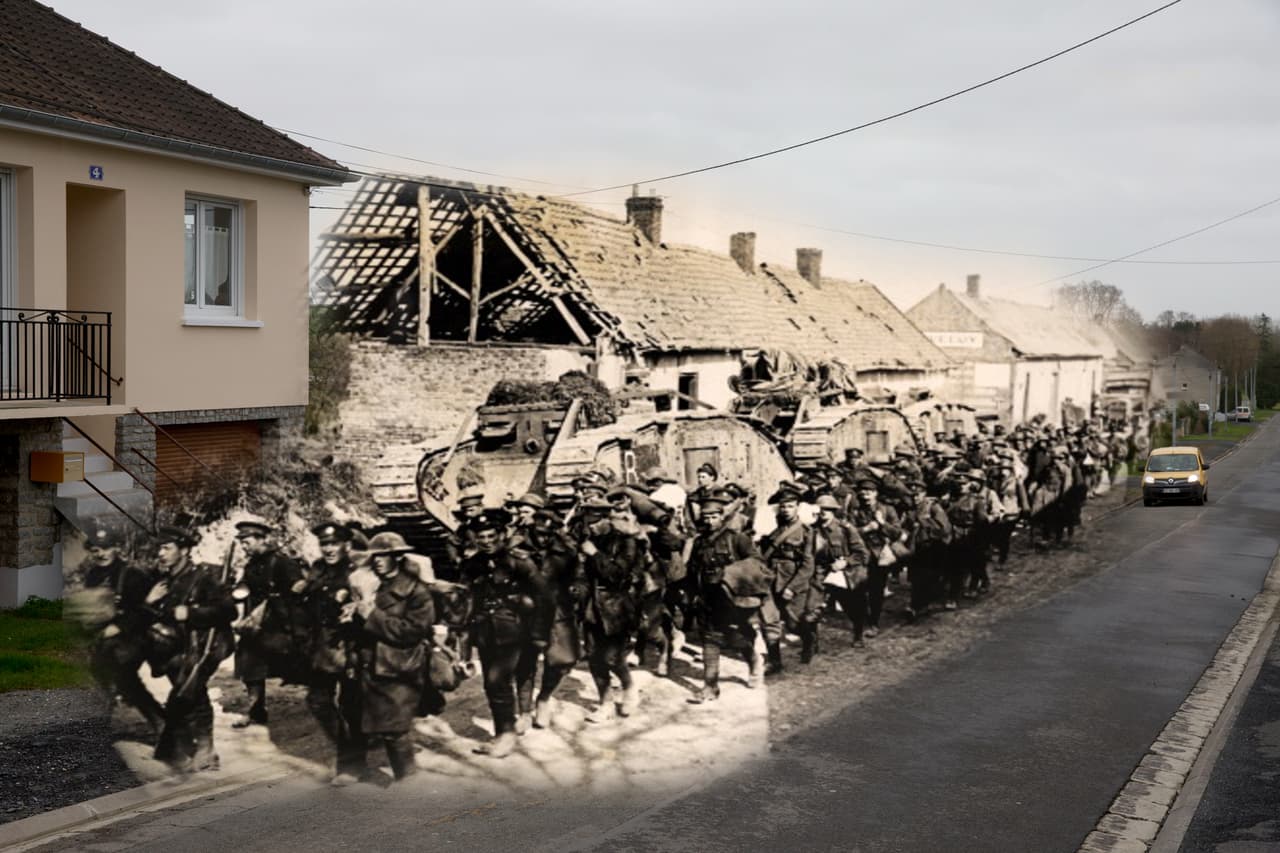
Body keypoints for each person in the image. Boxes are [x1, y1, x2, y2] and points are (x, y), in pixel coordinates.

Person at [147, 526, 236, 772]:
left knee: (187, 691)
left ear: (184, 550)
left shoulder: (203, 577)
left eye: (167, 548)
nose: (161, 553)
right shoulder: (163, 579)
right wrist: (151, 603)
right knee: (191, 692)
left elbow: (229, 610)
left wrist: (192, 613)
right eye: (159, 548)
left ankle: (202, 751)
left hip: (208, 644)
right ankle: (194, 749)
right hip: (176, 646)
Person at [460, 512, 549, 758]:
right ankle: (502, 733)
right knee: (491, 684)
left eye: (491, 536)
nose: (486, 541)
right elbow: (466, 599)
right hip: (486, 632)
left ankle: (507, 735)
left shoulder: (520, 562)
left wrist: (539, 634)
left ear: (501, 535)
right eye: (481, 537)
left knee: (496, 681)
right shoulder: (472, 563)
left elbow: (545, 598)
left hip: (515, 631)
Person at [348, 532, 435, 781]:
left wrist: (371, 616)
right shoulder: (372, 586)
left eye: (384, 556)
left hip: (400, 665)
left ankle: (407, 779)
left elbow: (413, 631)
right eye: (375, 556)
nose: (378, 561)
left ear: (397, 557)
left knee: (394, 727)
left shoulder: (416, 591)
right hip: (371, 663)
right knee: (373, 722)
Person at [77, 527, 165, 735]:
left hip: (134, 638)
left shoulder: (132, 575)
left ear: (117, 548)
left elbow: (146, 612)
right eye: (96, 550)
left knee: (120, 673)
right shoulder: (93, 576)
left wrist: (119, 626)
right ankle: (159, 722)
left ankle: (160, 722)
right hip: (105, 639)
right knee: (109, 678)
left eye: (107, 548)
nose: (101, 554)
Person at [685, 489, 768, 703]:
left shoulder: (737, 538)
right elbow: (694, 569)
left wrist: (729, 573)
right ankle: (710, 687)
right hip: (707, 596)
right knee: (709, 639)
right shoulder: (700, 542)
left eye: (714, 517)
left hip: (730, 597)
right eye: (706, 517)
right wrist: (691, 594)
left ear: (722, 516)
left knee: (732, 637)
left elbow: (756, 562)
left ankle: (753, 661)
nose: (710, 521)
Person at [300, 522, 365, 786]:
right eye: (324, 544)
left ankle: (353, 765)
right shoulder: (317, 569)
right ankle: (349, 749)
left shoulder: (357, 571)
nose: (328, 549)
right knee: (318, 701)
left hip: (351, 646)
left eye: (334, 543)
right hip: (322, 647)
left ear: (346, 545)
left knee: (352, 707)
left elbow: (371, 602)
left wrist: (357, 605)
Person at [230, 518, 307, 729]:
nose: (244, 546)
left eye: (247, 542)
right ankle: (256, 710)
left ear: (262, 540)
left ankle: (320, 706)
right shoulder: (251, 565)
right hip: (256, 623)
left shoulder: (282, 562)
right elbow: (244, 585)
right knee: (249, 663)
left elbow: (298, 591)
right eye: (242, 542)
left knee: (300, 665)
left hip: (280, 624)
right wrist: (239, 589)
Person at [577, 495, 648, 720]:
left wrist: (594, 555)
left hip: (615, 608)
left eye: (596, 518)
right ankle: (605, 703)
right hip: (590, 607)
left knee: (612, 657)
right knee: (593, 657)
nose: (591, 523)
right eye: (588, 517)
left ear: (607, 517)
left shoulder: (624, 541)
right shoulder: (587, 538)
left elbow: (618, 575)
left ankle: (629, 688)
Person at [760, 482, 819, 667]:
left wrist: (792, 588)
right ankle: (775, 661)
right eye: (783, 506)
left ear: (797, 507)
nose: (786, 510)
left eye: (790, 506)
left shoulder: (806, 532)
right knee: (769, 622)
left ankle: (809, 640)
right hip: (770, 580)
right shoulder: (772, 529)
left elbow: (808, 564)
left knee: (793, 623)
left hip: (792, 581)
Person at [812, 494, 872, 647]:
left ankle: (858, 635)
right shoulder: (812, 529)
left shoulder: (845, 529)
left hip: (843, 575)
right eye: (821, 509)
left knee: (852, 607)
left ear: (833, 511)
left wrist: (845, 562)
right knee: (813, 607)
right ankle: (812, 643)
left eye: (827, 509)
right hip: (820, 572)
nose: (823, 512)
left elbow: (862, 553)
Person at [850, 478, 902, 637]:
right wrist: (866, 529)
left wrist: (882, 524)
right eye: (862, 492)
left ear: (876, 493)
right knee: (858, 589)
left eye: (869, 492)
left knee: (876, 590)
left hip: (880, 555)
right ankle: (864, 617)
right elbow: (848, 533)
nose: (865, 495)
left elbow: (898, 533)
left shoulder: (888, 510)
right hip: (860, 555)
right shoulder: (854, 511)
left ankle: (874, 622)